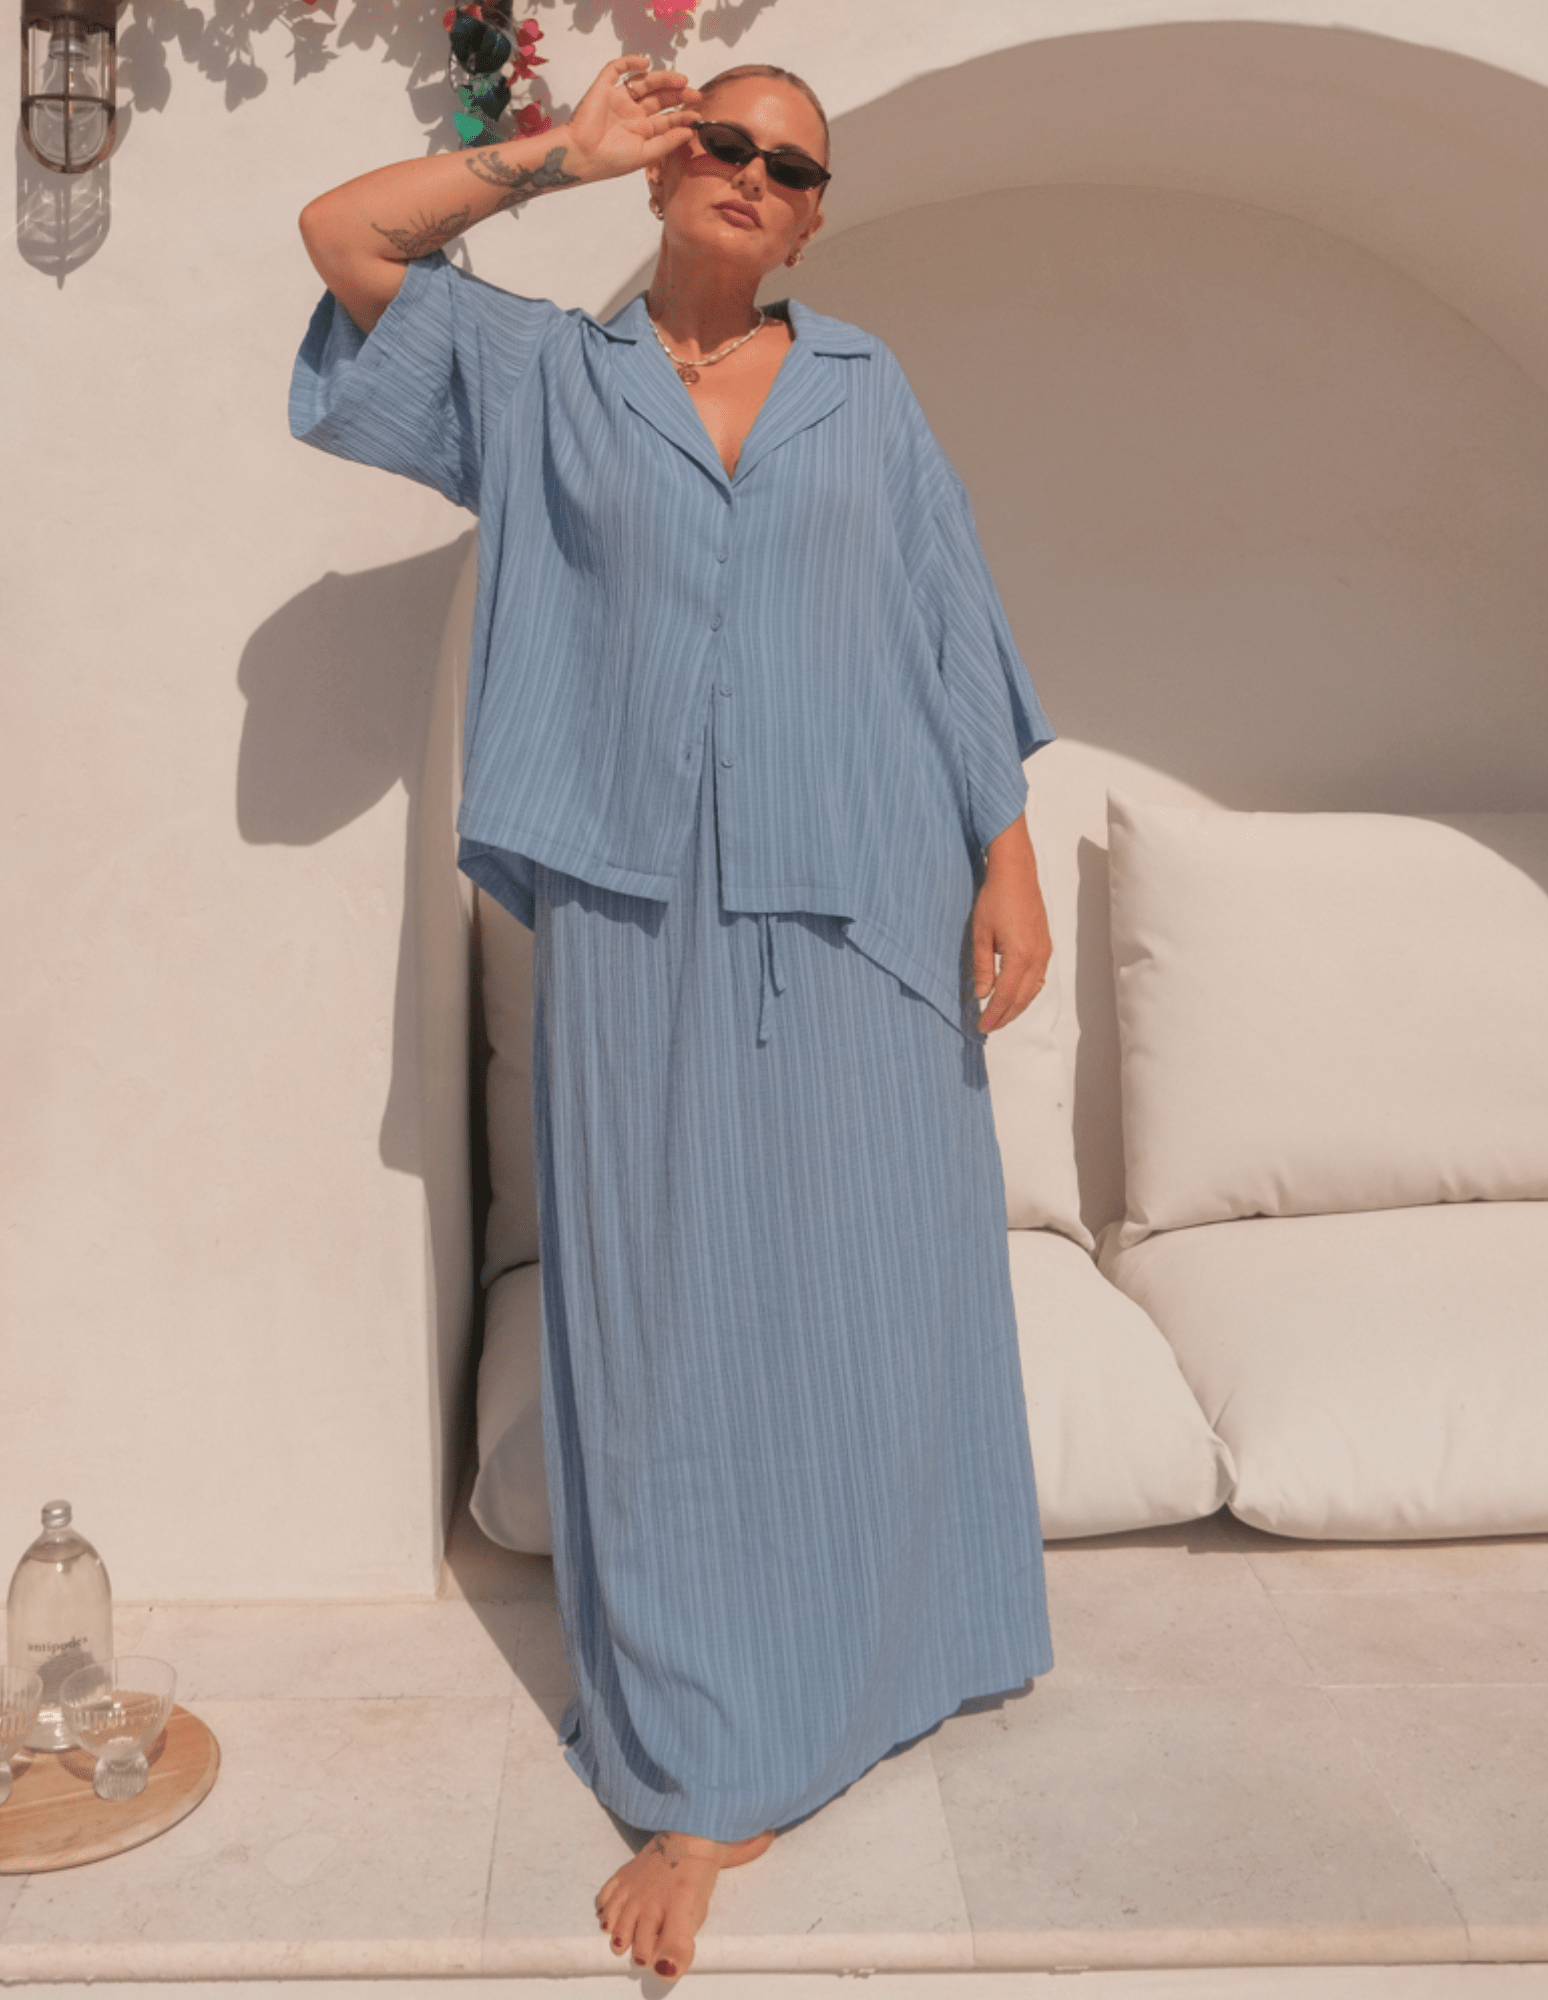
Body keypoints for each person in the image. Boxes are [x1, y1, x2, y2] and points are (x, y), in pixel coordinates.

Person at [293, 53, 1055, 1982]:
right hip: (640, 914)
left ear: (811, 219)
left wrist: (1009, 859)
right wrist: (554, 153)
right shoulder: (548, 378)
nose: (749, 171)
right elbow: (344, 236)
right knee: (667, 1320)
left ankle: (899, 1650)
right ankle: (710, 1756)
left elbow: (948, 626)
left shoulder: (870, 392)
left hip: (869, 901)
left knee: (879, 1290)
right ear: (668, 165)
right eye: (721, 138)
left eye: (789, 165)